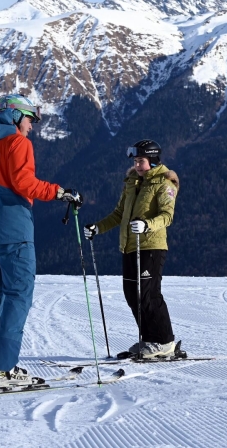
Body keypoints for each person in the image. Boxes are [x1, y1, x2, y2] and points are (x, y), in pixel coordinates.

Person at [0, 94, 82, 388]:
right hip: (14, 234)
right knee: (18, 296)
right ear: (16, 116)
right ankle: (3, 370)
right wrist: (60, 192)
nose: (32, 126)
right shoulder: (17, 143)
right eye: (30, 120)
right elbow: (25, 183)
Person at [83, 139, 179, 358]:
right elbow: (119, 214)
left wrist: (147, 225)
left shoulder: (164, 184)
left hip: (151, 246)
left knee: (148, 295)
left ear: (153, 161)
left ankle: (164, 342)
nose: (137, 165)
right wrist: (98, 228)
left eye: (141, 161)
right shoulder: (132, 182)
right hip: (129, 246)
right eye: (135, 161)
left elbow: (167, 216)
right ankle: (149, 339)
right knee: (131, 295)